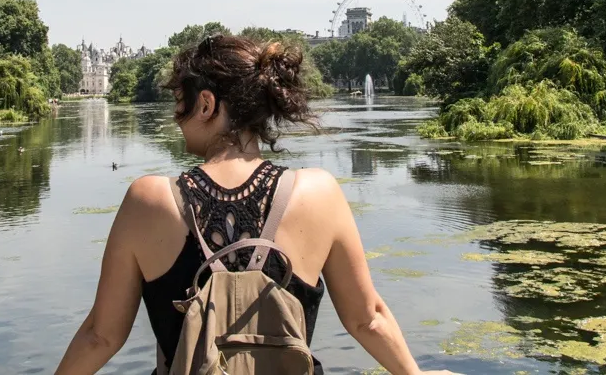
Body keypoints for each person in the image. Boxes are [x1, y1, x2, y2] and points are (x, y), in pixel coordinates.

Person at [54, 34, 456, 375]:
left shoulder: (150, 200)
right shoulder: (318, 193)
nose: (176, 117)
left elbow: (101, 337)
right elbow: (367, 320)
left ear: (206, 104)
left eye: (179, 102)